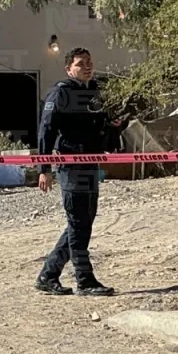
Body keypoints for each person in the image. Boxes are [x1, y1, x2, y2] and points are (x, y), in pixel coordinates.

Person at [34, 48, 125, 297]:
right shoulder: (61, 92)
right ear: (68, 69)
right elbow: (46, 131)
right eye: (80, 63)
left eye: (89, 62)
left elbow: (100, 126)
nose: (87, 67)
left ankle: (48, 275)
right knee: (78, 222)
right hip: (71, 166)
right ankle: (84, 280)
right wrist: (44, 169)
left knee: (83, 222)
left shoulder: (95, 90)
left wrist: (113, 128)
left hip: (90, 165)